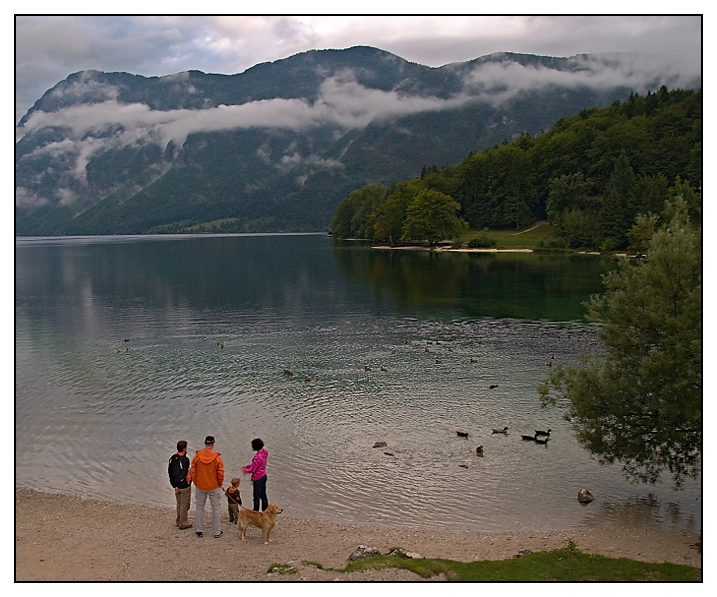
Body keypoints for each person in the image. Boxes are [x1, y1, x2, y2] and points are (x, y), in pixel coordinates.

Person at [190, 435, 225, 538]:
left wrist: (196, 482)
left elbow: (193, 471)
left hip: (201, 485)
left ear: (205, 443)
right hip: (213, 485)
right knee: (216, 508)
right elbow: (220, 472)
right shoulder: (217, 457)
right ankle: (217, 531)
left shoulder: (197, 456)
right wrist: (219, 483)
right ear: (213, 444)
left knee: (200, 508)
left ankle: (199, 529)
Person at [168, 440, 192, 529]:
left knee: (179, 503)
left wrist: (174, 485)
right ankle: (183, 523)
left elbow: (170, 472)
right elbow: (184, 472)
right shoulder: (185, 460)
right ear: (184, 449)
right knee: (184, 504)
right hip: (184, 485)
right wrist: (179, 483)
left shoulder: (173, 458)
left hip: (176, 484)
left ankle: (178, 520)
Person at [241, 438, 269, 512]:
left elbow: (252, 469)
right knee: (263, 494)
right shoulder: (264, 453)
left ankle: (255, 511)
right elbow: (256, 466)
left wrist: (245, 470)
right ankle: (265, 510)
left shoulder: (257, 457)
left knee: (256, 496)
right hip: (263, 475)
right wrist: (248, 466)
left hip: (258, 478)